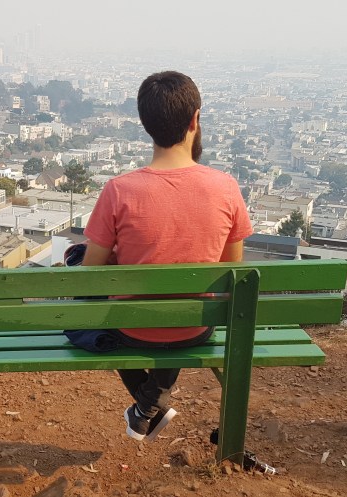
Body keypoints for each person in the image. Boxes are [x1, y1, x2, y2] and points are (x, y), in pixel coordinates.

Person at [65, 71, 253, 442]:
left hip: (131, 328)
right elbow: (231, 272)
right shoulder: (226, 188)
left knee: (87, 282)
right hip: (196, 327)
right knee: (177, 302)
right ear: (195, 120)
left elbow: (89, 277)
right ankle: (148, 406)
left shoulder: (119, 190)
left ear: (145, 123)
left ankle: (149, 404)